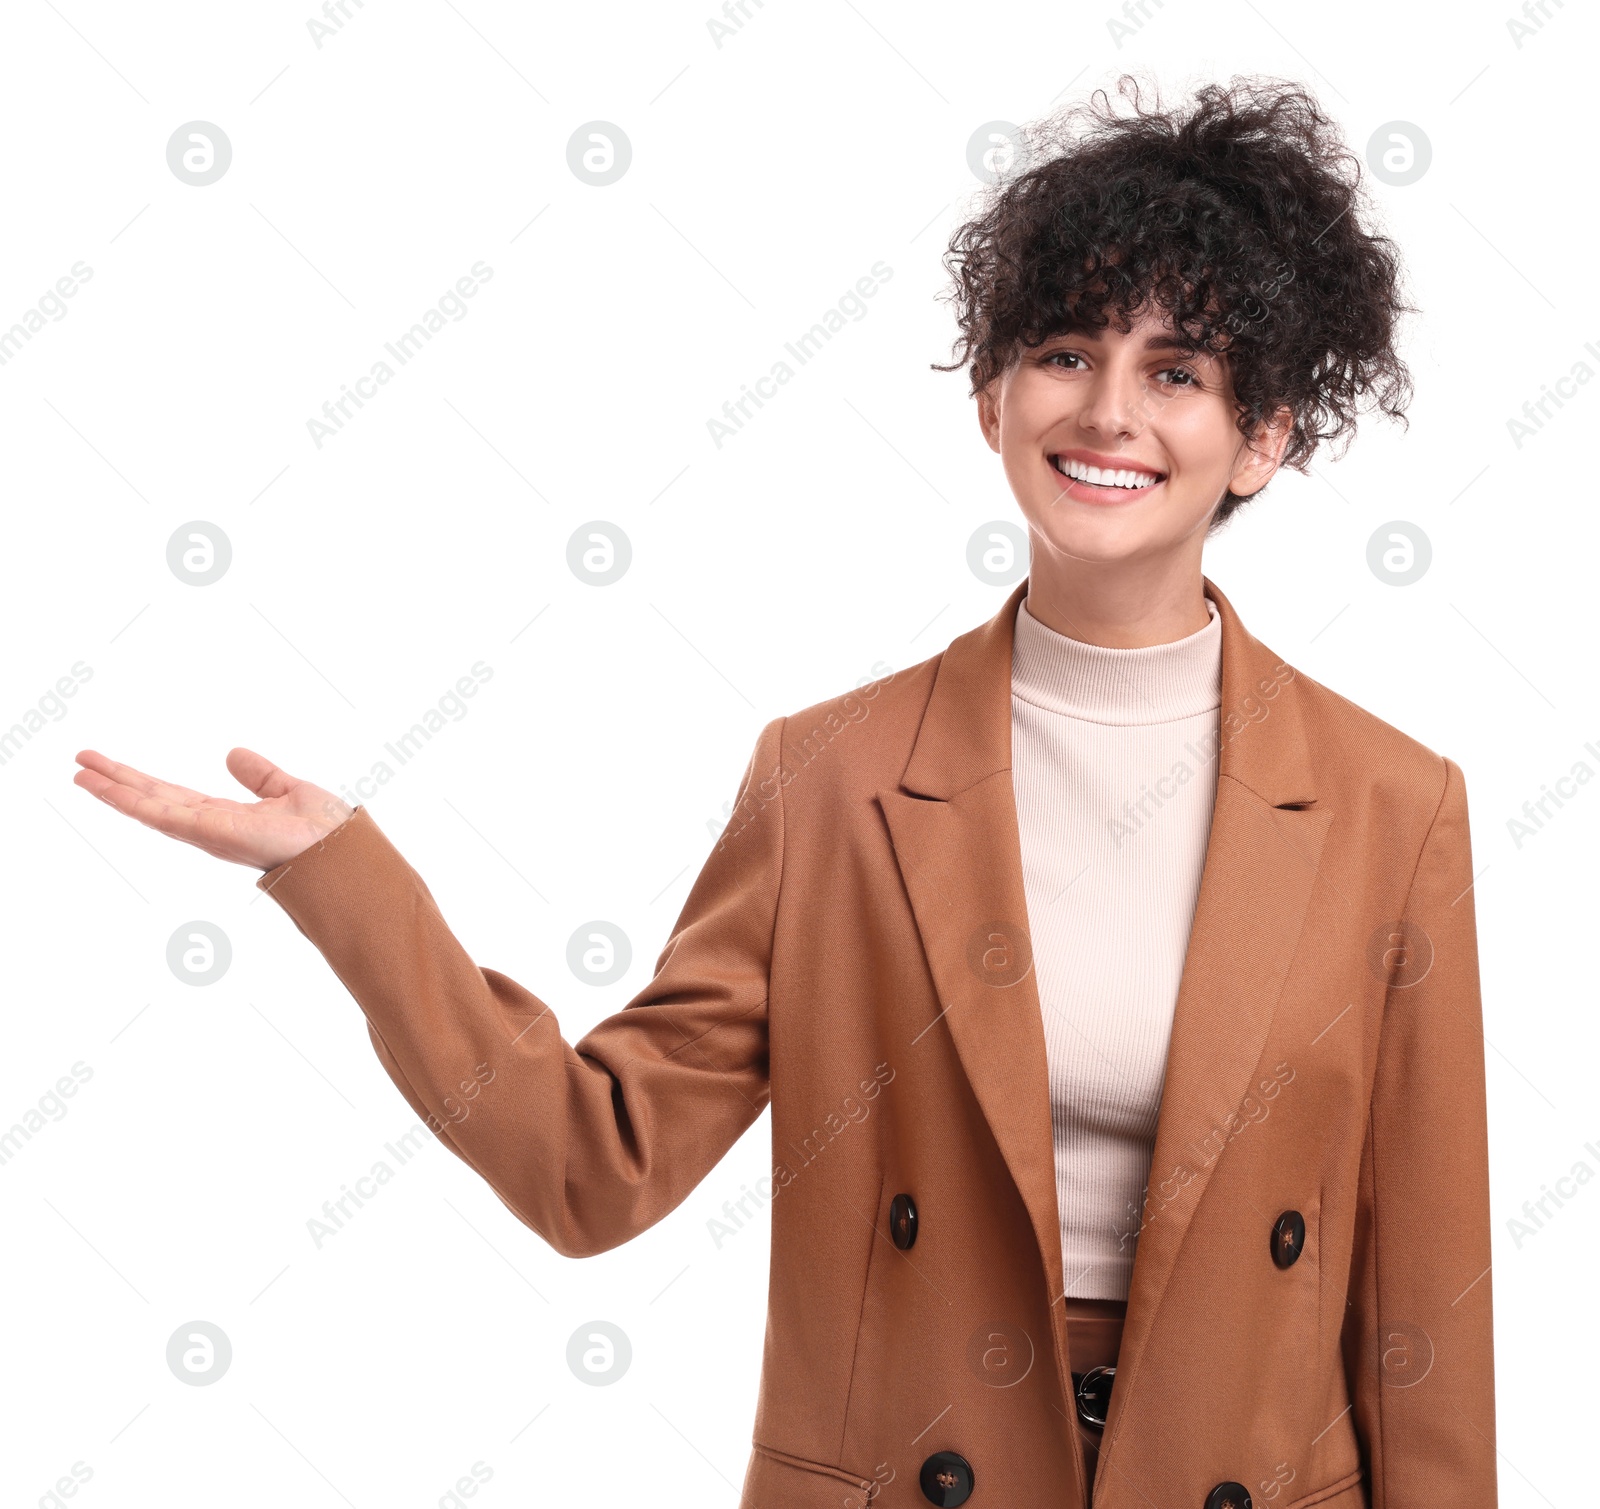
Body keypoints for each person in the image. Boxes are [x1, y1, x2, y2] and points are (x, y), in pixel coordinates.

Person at [73, 73, 1494, 1507]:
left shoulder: (1392, 806)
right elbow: (593, 1164)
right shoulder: (832, 779)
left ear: (1266, 435)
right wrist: (342, 878)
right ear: (994, 396)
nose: (1110, 412)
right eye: (1066, 352)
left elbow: (1424, 1324)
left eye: (1179, 370)